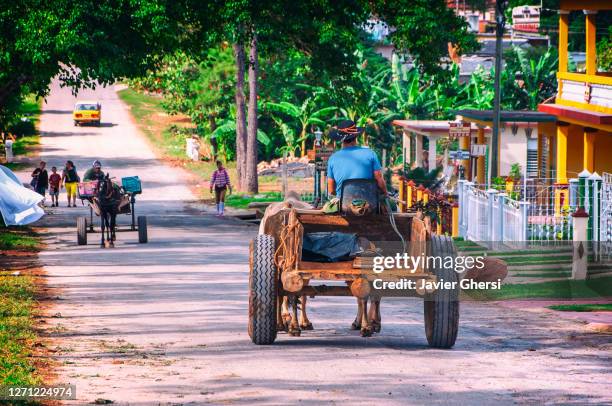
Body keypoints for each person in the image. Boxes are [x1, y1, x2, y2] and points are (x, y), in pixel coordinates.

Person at [327, 120, 387, 197]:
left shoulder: (333, 158)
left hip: (343, 204)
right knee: (392, 206)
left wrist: (337, 197)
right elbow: (379, 178)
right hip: (369, 203)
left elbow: (331, 189)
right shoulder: (370, 154)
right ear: (356, 136)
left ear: (341, 140)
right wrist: (385, 193)